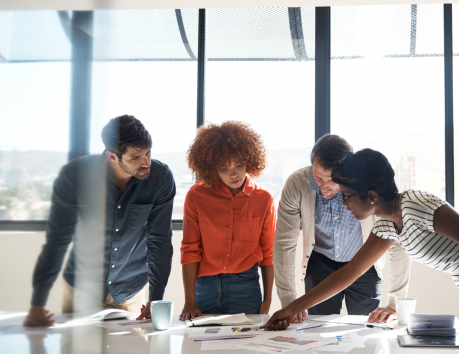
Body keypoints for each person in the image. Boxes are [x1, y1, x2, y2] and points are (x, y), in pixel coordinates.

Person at [267, 149, 459, 354]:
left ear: (370, 195)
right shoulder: (386, 224)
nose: (343, 202)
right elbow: (349, 273)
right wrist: (291, 308)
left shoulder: (417, 206)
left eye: (347, 195)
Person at [24, 115, 176, 327]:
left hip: (130, 291)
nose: (146, 162)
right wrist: (37, 304)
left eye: (148, 152)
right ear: (112, 156)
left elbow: (159, 240)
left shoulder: (160, 178)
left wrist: (156, 298)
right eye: (136, 157)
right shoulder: (75, 175)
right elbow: (57, 241)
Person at [274, 135, 411, 324]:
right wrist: (288, 299)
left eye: (330, 179)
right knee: (318, 330)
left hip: (364, 263)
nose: (323, 185)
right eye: (317, 176)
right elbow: (284, 244)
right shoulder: (297, 184)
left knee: (368, 330)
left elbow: (397, 243)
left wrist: (394, 303)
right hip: (320, 263)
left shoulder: (368, 188)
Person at [179, 121, 275, 320]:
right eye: (224, 168)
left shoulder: (263, 199)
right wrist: (189, 301)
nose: (234, 174)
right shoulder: (196, 196)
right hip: (204, 286)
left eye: (239, 165)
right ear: (211, 168)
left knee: (246, 347)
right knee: (200, 347)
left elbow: (268, 253)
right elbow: (190, 249)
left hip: (246, 287)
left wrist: (267, 300)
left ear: (249, 160)